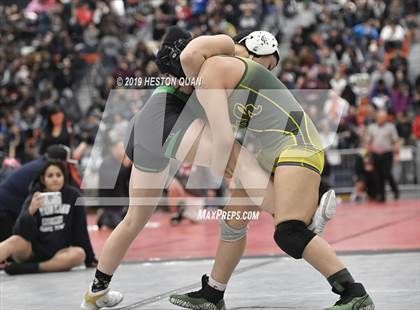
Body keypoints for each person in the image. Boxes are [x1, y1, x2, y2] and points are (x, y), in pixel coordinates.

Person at [80, 28, 337, 310]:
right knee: (239, 159)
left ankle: (96, 291)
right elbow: (185, 54)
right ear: (256, 48)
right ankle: (299, 219)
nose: (269, 73)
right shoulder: (227, 49)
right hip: (167, 114)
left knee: (134, 220)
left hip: (150, 124)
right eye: (270, 65)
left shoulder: (231, 74)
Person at [159, 33, 374, 309]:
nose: (266, 69)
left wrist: (218, 168)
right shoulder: (221, 71)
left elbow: (193, 59)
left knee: (289, 232)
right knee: (233, 221)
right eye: (266, 62)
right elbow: (196, 56)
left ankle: (354, 292)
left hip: (295, 147)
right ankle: (213, 293)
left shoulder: (213, 70)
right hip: (272, 153)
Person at [0, 160, 95, 275]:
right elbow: (19, 232)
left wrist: (90, 259)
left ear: (64, 177)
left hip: (57, 255)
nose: (55, 179)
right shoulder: (35, 196)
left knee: (80, 254)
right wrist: (30, 211)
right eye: (50, 175)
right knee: (14, 240)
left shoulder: (73, 196)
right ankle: (31, 265)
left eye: (58, 175)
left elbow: (81, 230)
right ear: (43, 179)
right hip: (31, 252)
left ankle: (30, 268)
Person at [0, 144, 84, 243]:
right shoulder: (42, 170)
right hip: (6, 208)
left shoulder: (40, 165)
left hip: (7, 202)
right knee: (15, 242)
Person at [366, 109, 400, 202]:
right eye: (381, 117)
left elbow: (395, 141)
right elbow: (368, 142)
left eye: (384, 118)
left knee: (386, 173)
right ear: (377, 118)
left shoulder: (390, 127)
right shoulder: (371, 127)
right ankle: (382, 195)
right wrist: (368, 156)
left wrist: (397, 153)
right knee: (377, 175)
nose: (382, 119)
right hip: (375, 153)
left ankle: (395, 190)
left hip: (387, 153)